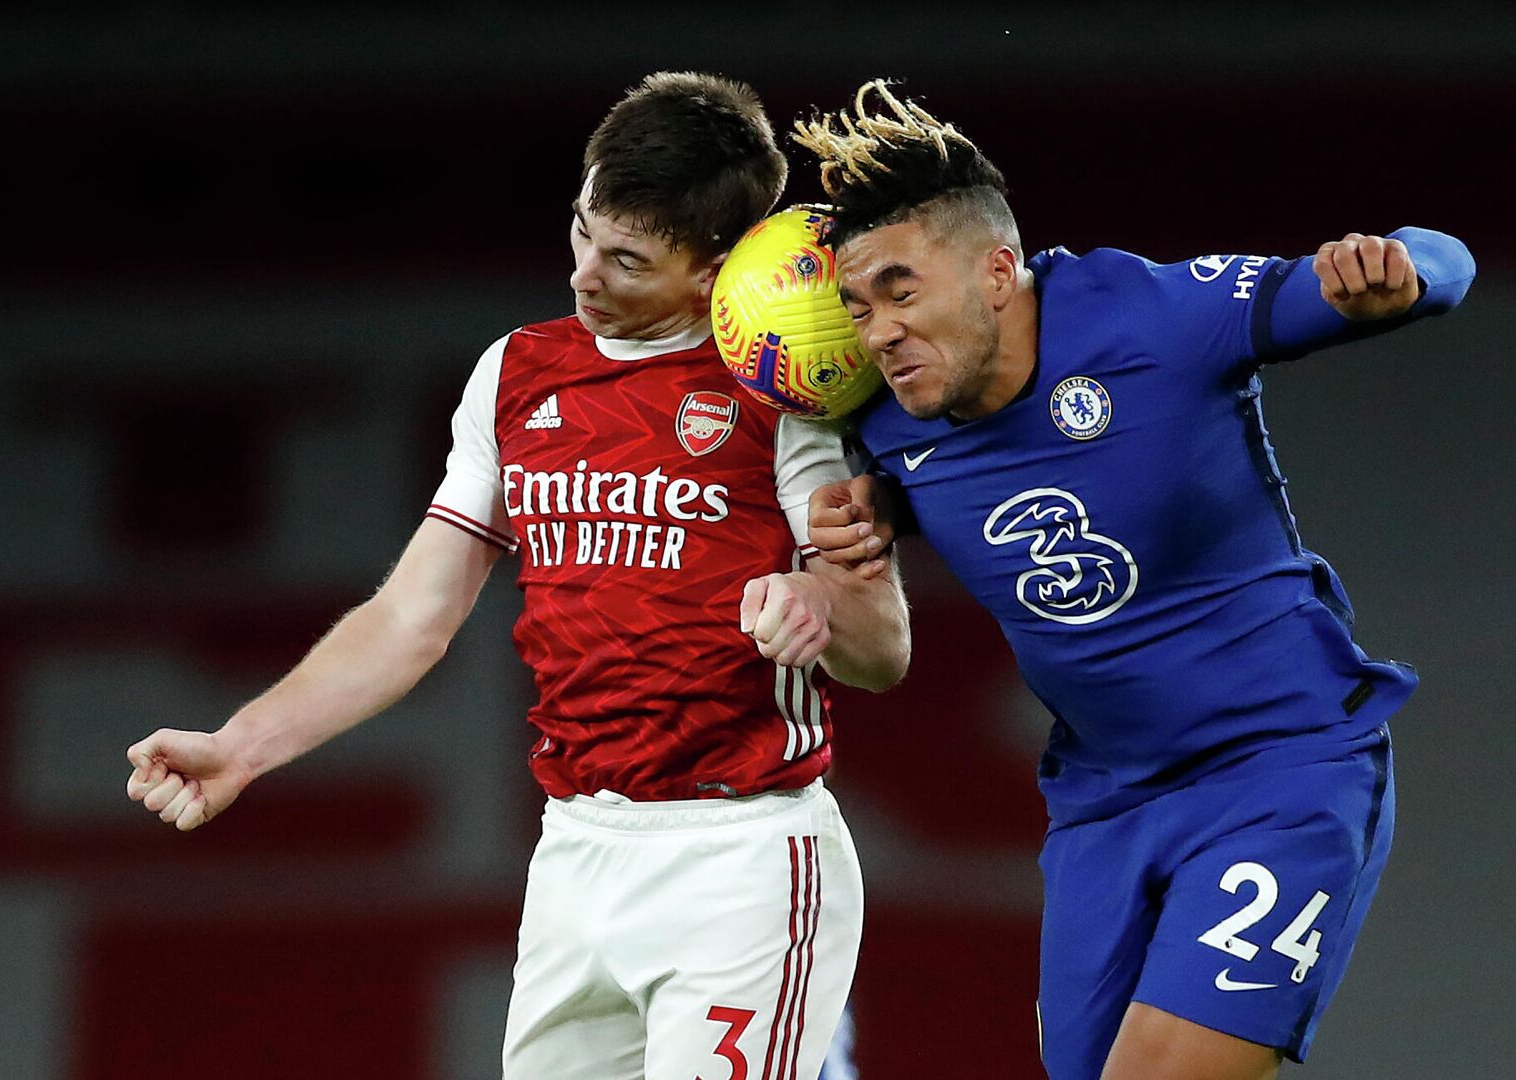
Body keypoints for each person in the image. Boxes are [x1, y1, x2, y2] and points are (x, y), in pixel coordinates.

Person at [122, 71, 911, 1080]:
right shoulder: (519, 373)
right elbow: (413, 615)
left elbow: (881, 651)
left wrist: (816, 603)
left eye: (626, 258)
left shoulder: (781, 395)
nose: (585, 273)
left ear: (714, 269)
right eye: (582, 231)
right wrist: (242, 746)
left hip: (740, 855)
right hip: (576, 857)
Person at [791, 79, 1473, 1079]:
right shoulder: (887, 421)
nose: (879, 328)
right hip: (1102, 808)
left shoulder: (1156, 316)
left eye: (900, 289)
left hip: (1278, 774)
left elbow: (1441, 266)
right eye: (857, 306)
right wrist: (872, 518)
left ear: (995, 271)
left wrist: (1407, 267)